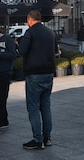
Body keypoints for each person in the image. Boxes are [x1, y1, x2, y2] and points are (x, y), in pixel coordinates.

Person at [18, 10, 57, 150]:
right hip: (48, 73)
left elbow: (22, 51)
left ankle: (37, 139)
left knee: (33, 108)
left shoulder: (30, 33)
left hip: (34, 74)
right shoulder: (50, 32)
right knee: (45, 106)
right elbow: (55, 51)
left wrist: (19, 43)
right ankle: (47, 138)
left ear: (29, 20)